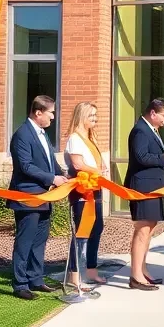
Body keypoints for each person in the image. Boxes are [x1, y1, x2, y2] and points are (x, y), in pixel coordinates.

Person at [8, 95, 67, 300]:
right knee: (25, 242)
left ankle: (36, 279)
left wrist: (64, 175)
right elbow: (25, 166)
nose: (53, 117)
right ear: (38, 112)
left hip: (45, 196)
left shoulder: (42, 133)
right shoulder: (22, 135)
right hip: (28, 196)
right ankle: (20, 284)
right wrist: (52, 178)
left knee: (40, 240)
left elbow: (50, 161)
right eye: (51, 112)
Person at [124, 98, 164, 291]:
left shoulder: (151, 130)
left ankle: (143, 270)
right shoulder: (140, 130)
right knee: (143, 230)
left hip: (153, 187)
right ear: (153, 113)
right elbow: (141, 157)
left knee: (149, 229)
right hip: (143, 188)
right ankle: (136, 276)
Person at [64, 101, 111, 292]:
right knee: (82, 232)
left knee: (96, 227)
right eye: (91, 116)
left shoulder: (89, 138)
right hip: (83, 191)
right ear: (82, 116)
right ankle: (74, 277)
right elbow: (78, 164)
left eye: (96, 115)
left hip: (95, 187)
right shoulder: (75, 138)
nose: (95, 119)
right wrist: (97, 170)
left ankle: (91, 270)